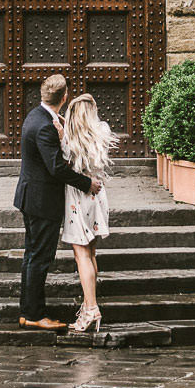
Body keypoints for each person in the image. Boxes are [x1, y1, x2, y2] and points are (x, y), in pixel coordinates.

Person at [13, 74, 100, 331]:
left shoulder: (36, 116)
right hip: (41, 203)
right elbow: (56, 168)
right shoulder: (45, 126)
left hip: (32, 198)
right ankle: (34, 315)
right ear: (64, 98)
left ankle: (28, 311)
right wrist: (87, 183)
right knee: (39, 258)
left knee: (33, 256)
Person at [59, 91, 116, 334]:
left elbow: (63, 163)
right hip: (98, 195)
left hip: (77, 199)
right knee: (91, 252)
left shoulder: (69, 140)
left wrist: (63, 132)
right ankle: (87, 303)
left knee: (81, 254)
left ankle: (92, 307)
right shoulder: (101, 132)